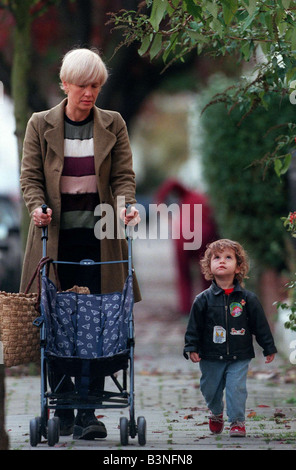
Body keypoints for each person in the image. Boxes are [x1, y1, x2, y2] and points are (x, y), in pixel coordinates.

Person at [20, 47, 141, 440]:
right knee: (54, 319)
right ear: (64, 84)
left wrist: (126, 208)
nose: (89, 92)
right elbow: (31, 177)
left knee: (101, 319)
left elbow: (123, 175)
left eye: (96, 85)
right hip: (54, 239)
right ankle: (65, 402)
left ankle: (88, 412)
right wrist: (37, 207)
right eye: (83, 85)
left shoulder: (114, 123)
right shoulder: (40, 124)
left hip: (101, 238)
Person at [184, 239, 277, 437]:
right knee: (210, 389)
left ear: (238, 267)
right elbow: (194, 327)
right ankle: (216, 412)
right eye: (216, 258)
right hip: (210, 355)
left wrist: (268, 347)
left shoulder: (248, 299)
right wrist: (191, 347)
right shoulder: (202, 300)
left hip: (239, 354)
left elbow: (260, 325)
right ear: (209, 266)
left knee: (237, 388)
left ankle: (237, 422)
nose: (222, 261)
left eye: (228, 257)